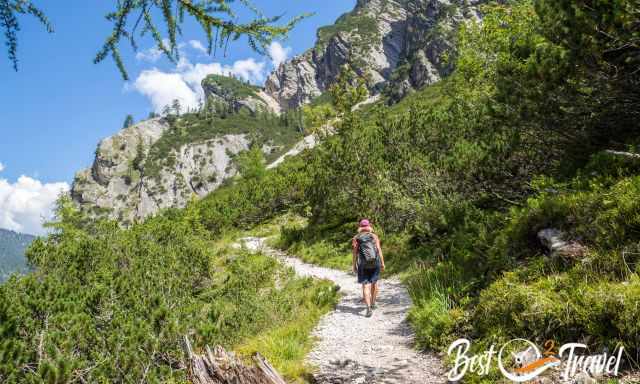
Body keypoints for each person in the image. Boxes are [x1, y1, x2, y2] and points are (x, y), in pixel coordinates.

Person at [352, 219, 385, 317]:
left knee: (366, 285)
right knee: (374, 283)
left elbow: (355, 253)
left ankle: (368, 308)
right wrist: (383, 263)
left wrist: (354, 265)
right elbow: (379, 250)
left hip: (363, 264)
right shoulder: (374, 236)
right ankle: (373, 303)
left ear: (360, 227)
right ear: (369, 226)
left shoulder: (356, 238)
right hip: (375, 263)